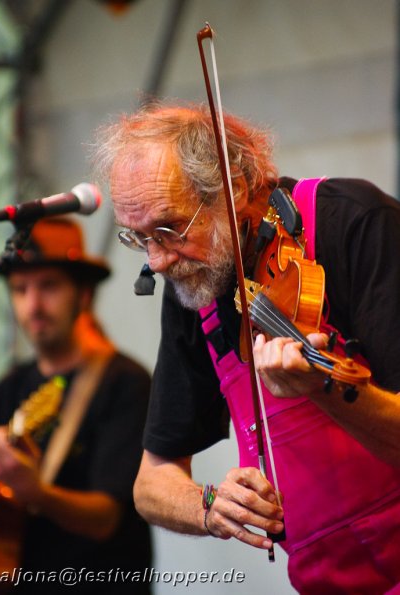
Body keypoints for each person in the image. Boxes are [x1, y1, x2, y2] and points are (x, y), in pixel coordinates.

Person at [93, 100, 400, 595]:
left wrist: (321, 387)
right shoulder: (196, 283)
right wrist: (210, 507)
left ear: (232, 191)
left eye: (169, 229)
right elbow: (152, 483)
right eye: (139, 238)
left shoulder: (354, 223)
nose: (159, 261)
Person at [0, 217, 152, 594]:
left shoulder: (124, 382)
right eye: (20, 289)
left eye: (49, 286)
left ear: (84, 295)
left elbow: (106, 519)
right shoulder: (9, 388)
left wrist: (36, 493)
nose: (33, 305)